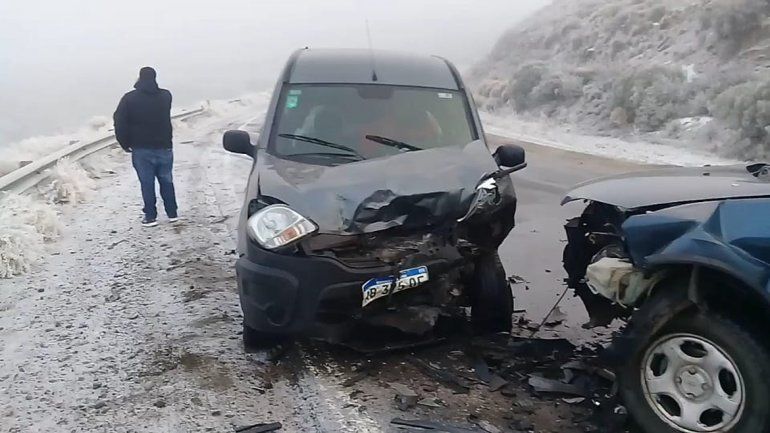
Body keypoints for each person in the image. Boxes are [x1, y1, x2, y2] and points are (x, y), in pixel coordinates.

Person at [113, 67, 178, 227]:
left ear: (139, 78)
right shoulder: (166, 96)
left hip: (141, 148)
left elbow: (119, 122)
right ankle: (172, 213)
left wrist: (124, 143)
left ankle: (150, 216)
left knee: (147, 183)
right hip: (164, 146)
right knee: (166, 179)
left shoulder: (129, 99)